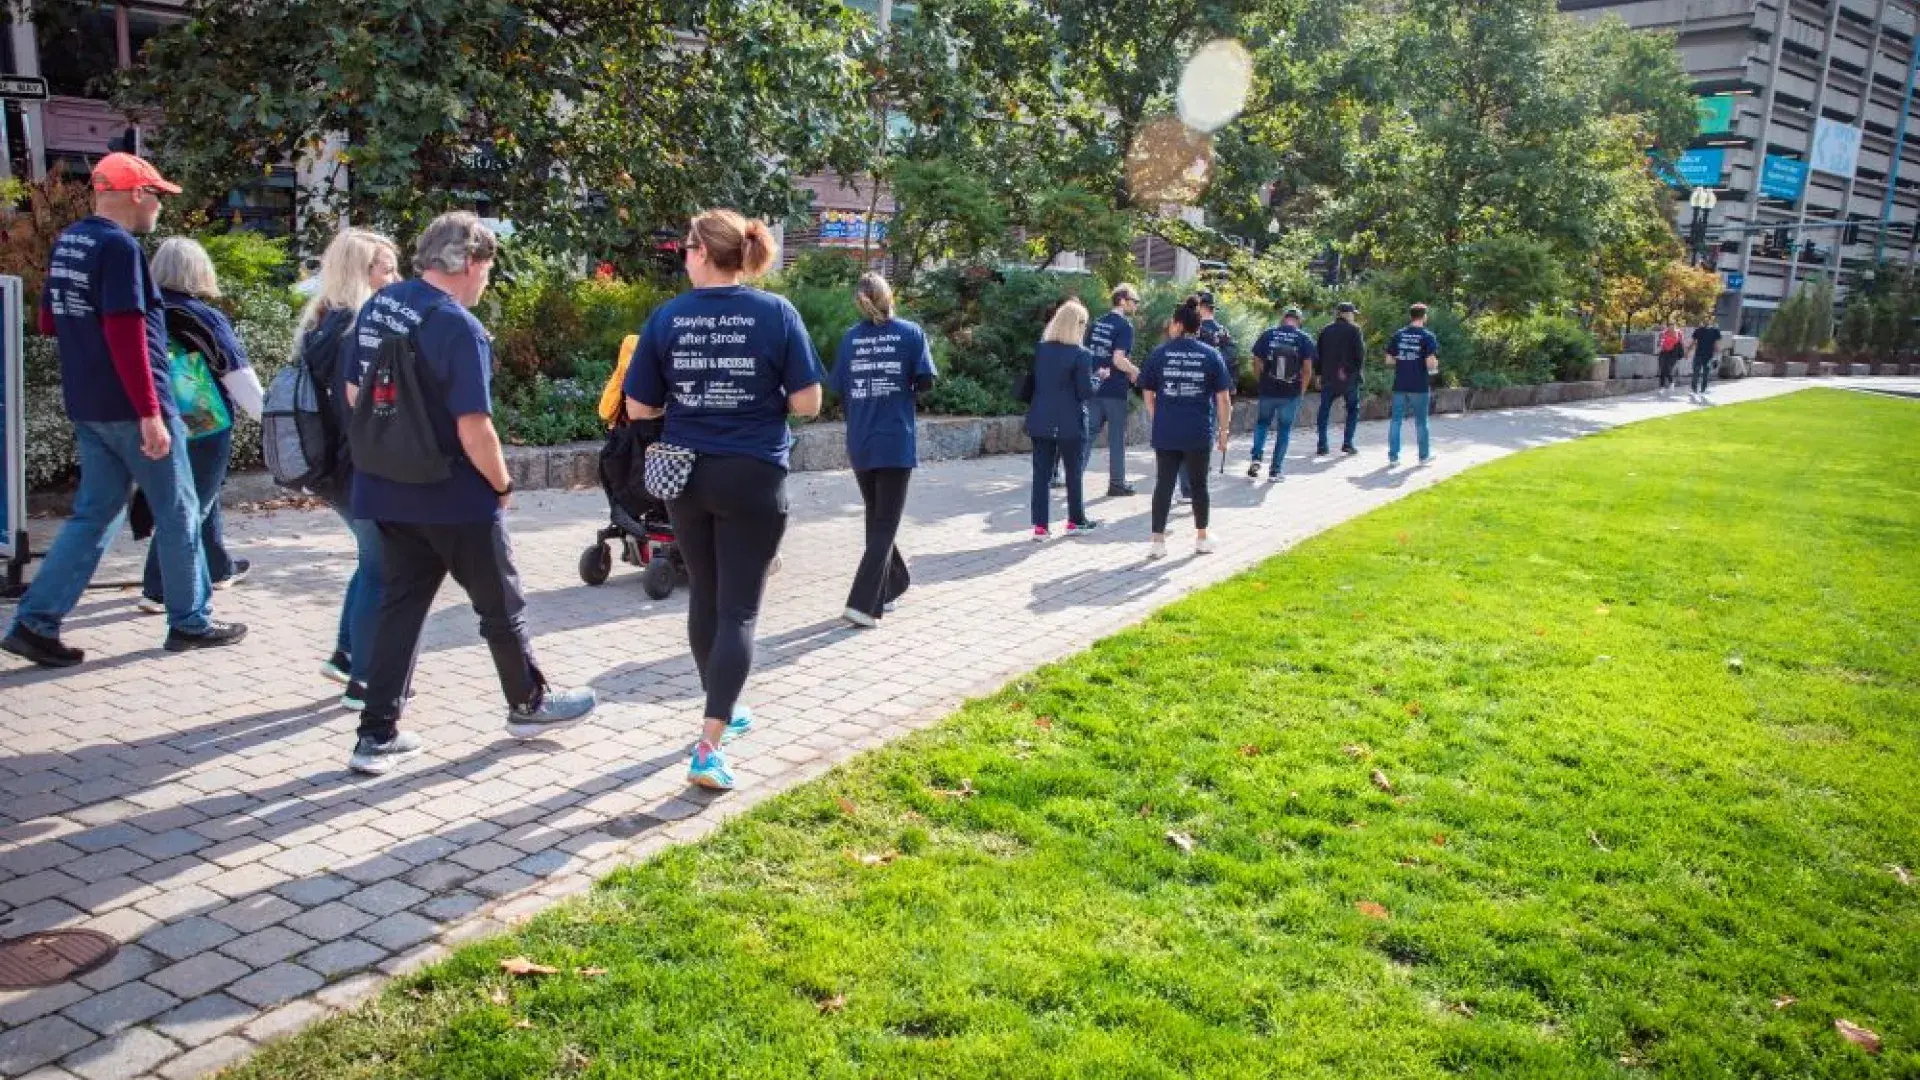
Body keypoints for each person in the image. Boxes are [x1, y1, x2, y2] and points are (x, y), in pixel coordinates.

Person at [343, 212, 596, 775]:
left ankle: (375, 735)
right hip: (452, 494)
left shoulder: (380, 305)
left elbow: (354, 390)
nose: (487, 279)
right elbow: (474, 427)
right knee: (500, 605)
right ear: (469, 263)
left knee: (400, 609)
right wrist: (502, 485)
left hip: (387, 489)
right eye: (487, 266)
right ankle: (528, 704)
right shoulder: (457, 326)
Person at [2, 153, 246, 668]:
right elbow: (128, 332)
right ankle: (190, 621)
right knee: (180, 511)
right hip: (133, 410)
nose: (160, 205)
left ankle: (34, 622)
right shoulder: (119, 247)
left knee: (94, 515)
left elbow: (50, 321)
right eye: (157, 194)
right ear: (136, 194)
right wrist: (152, 412)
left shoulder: (73, 241)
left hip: (89, 404)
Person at [625, 209, 823, 791]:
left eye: (686, 248)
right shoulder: (776, 313)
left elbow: (638, 407)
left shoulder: (668, 318)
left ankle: (722, 707)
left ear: (705, 253)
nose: (682, 257)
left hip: (687, 475)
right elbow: (808, 401)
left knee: (705, 598)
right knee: (739, 609)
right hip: (754, 473)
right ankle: (710, 742)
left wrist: (694, 401)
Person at [133, 238, 265, 613]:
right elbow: (236, 373)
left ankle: (218, 566)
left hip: (155, 417)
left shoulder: (145, 311)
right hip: (205, 421)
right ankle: (159, 588)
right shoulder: (201, 316)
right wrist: (271, 418)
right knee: (192, 505)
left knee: (196, 495)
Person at [299, 227, 403, 707]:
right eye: (386, 268)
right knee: (387, 569)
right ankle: (366, 680)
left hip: (333, 466)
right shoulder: (357, 330)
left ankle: (345, 655)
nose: (395, 277)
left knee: (372, 560)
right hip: (358, 467)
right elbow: (363, 409)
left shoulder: (323, 322)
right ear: (362, 273)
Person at [830, 273, 936, 628]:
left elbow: (840, 388)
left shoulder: (849, 339)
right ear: (889, 297)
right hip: (894, 438)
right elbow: (925, 383)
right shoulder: (910, 334)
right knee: (885, 523)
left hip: (861, 438)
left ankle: (890, 586)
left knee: (876, 517)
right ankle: (863, 603)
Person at [1140, 298, 1232, 559]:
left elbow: (1148, 395)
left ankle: (1157, 541)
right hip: (1198, 430)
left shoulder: (1160, 353)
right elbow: (1223, 398)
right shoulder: (1210, 355)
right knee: (1199, 485)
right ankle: (1202, 537)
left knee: (1164, 485)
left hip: (1167, 431)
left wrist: (1160, 417)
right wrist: (1223, 432)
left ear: (1178, 325)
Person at [1025, 298, 1098, 540]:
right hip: (1071, 421)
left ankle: (1040, 527)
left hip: (1041, 418)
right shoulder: (1081, 354)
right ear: (1078, 325)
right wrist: (1099, 379)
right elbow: (1085, 392)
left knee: (1041, 474)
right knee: (1073, 473)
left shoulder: (1042, 349)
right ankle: (1075, 520)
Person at [1082, 284, 1141, 496]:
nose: (1136, 304)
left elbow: (1086, 354)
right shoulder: (1124, 326)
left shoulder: (1097, 323)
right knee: (1116, 438)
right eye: (1134, 300)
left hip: (1094, 386)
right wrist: (1134, 370)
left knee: (1088, 435)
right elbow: (1118, 359)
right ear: (1123, 300)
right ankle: (1117, 483)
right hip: (1114, 388)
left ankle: (1074, 477)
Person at [1247, 304, 1316, 482]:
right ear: (1298, 321)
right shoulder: (1303, 338)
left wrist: (1260, 379)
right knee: (1284, 430)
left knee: (1262, 424)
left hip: (1268, 389)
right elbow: (1307, 370)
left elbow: (1255, 360)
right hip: (1290, 393)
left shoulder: (1269, 334)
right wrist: (1301, 391)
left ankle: (1256, 457)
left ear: (1283, 318)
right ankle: (1275, 471)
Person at [1384, 302, 1441, 467]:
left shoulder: (1398, 335)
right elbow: (1430, 363)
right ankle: (1423, 457)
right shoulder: (1427, 336)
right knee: (1421, 422)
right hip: (1419, 385)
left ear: (1410, 316)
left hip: (1400, 383)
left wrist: (1404, 360)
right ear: (1424, 317)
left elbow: (1388, 360)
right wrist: (1434, 365)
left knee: (1396, 421)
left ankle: (1393, 457)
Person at [1316, 301, 1364, 455]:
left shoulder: (1325, 330)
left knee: (1324, 410)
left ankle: (1322, 445)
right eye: (1352, 314)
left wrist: (1318, 374)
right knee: (1352, 410)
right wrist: (1356, 373)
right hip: (1348, 378)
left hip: (1329, 377)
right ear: (1346, 314)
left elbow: (1318, 355)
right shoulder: (1354, 330)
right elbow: (1360, 355)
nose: (1353, 317)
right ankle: (1347, 443)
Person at [1689, 321, 1723, 403]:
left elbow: (1693, 343)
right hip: (1708, 356)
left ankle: (1694, 391)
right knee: (1705, 374)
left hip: (1699, 355)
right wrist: (1717, 357)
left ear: (1702, 322)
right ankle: (1702, 391)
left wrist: (1687, 351)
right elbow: (1717, 346)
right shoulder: (1715, 331)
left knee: (1696, 373)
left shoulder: (1698, 330)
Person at [1656, 322, 1685, 394]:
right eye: (1670, 327)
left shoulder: (1678, 333)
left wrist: (1683, 353)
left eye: (1673, 326)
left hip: (1673, 353)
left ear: (1675, 326)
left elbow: (1681, 344)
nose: (1671, 328)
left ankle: (1671, 382)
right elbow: (1658, 344)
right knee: (1662, 369)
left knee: (1668, 368)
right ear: (1667, 327)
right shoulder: (1663, 333)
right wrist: (1659, 342)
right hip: (1664, 352)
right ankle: (1662, 387)